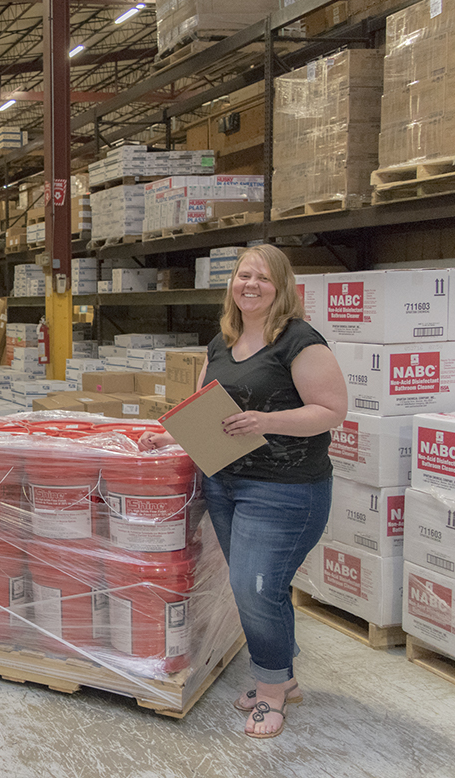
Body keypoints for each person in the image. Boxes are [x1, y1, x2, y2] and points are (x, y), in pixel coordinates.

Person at [137, 244, 346, 739]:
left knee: (254, 588)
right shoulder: (222, 343)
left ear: (282, 288)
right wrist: (169, 434)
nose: (250, 285)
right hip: (226, 481)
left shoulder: (299, 342)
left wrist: (267, 420)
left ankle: (271, 691)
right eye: (243, 276)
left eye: (263, 279)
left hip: (285, 490)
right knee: (258, 588)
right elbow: (209, 410)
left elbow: (333, 409)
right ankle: (282, 676)